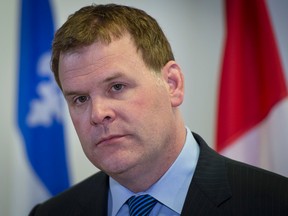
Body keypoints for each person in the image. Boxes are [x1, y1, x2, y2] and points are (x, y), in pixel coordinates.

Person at [29, 4, 288, 216]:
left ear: (172, 84)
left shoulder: (275, 203)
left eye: (117, 87)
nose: (98, 114)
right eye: (80, 99)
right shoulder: (50, 213)